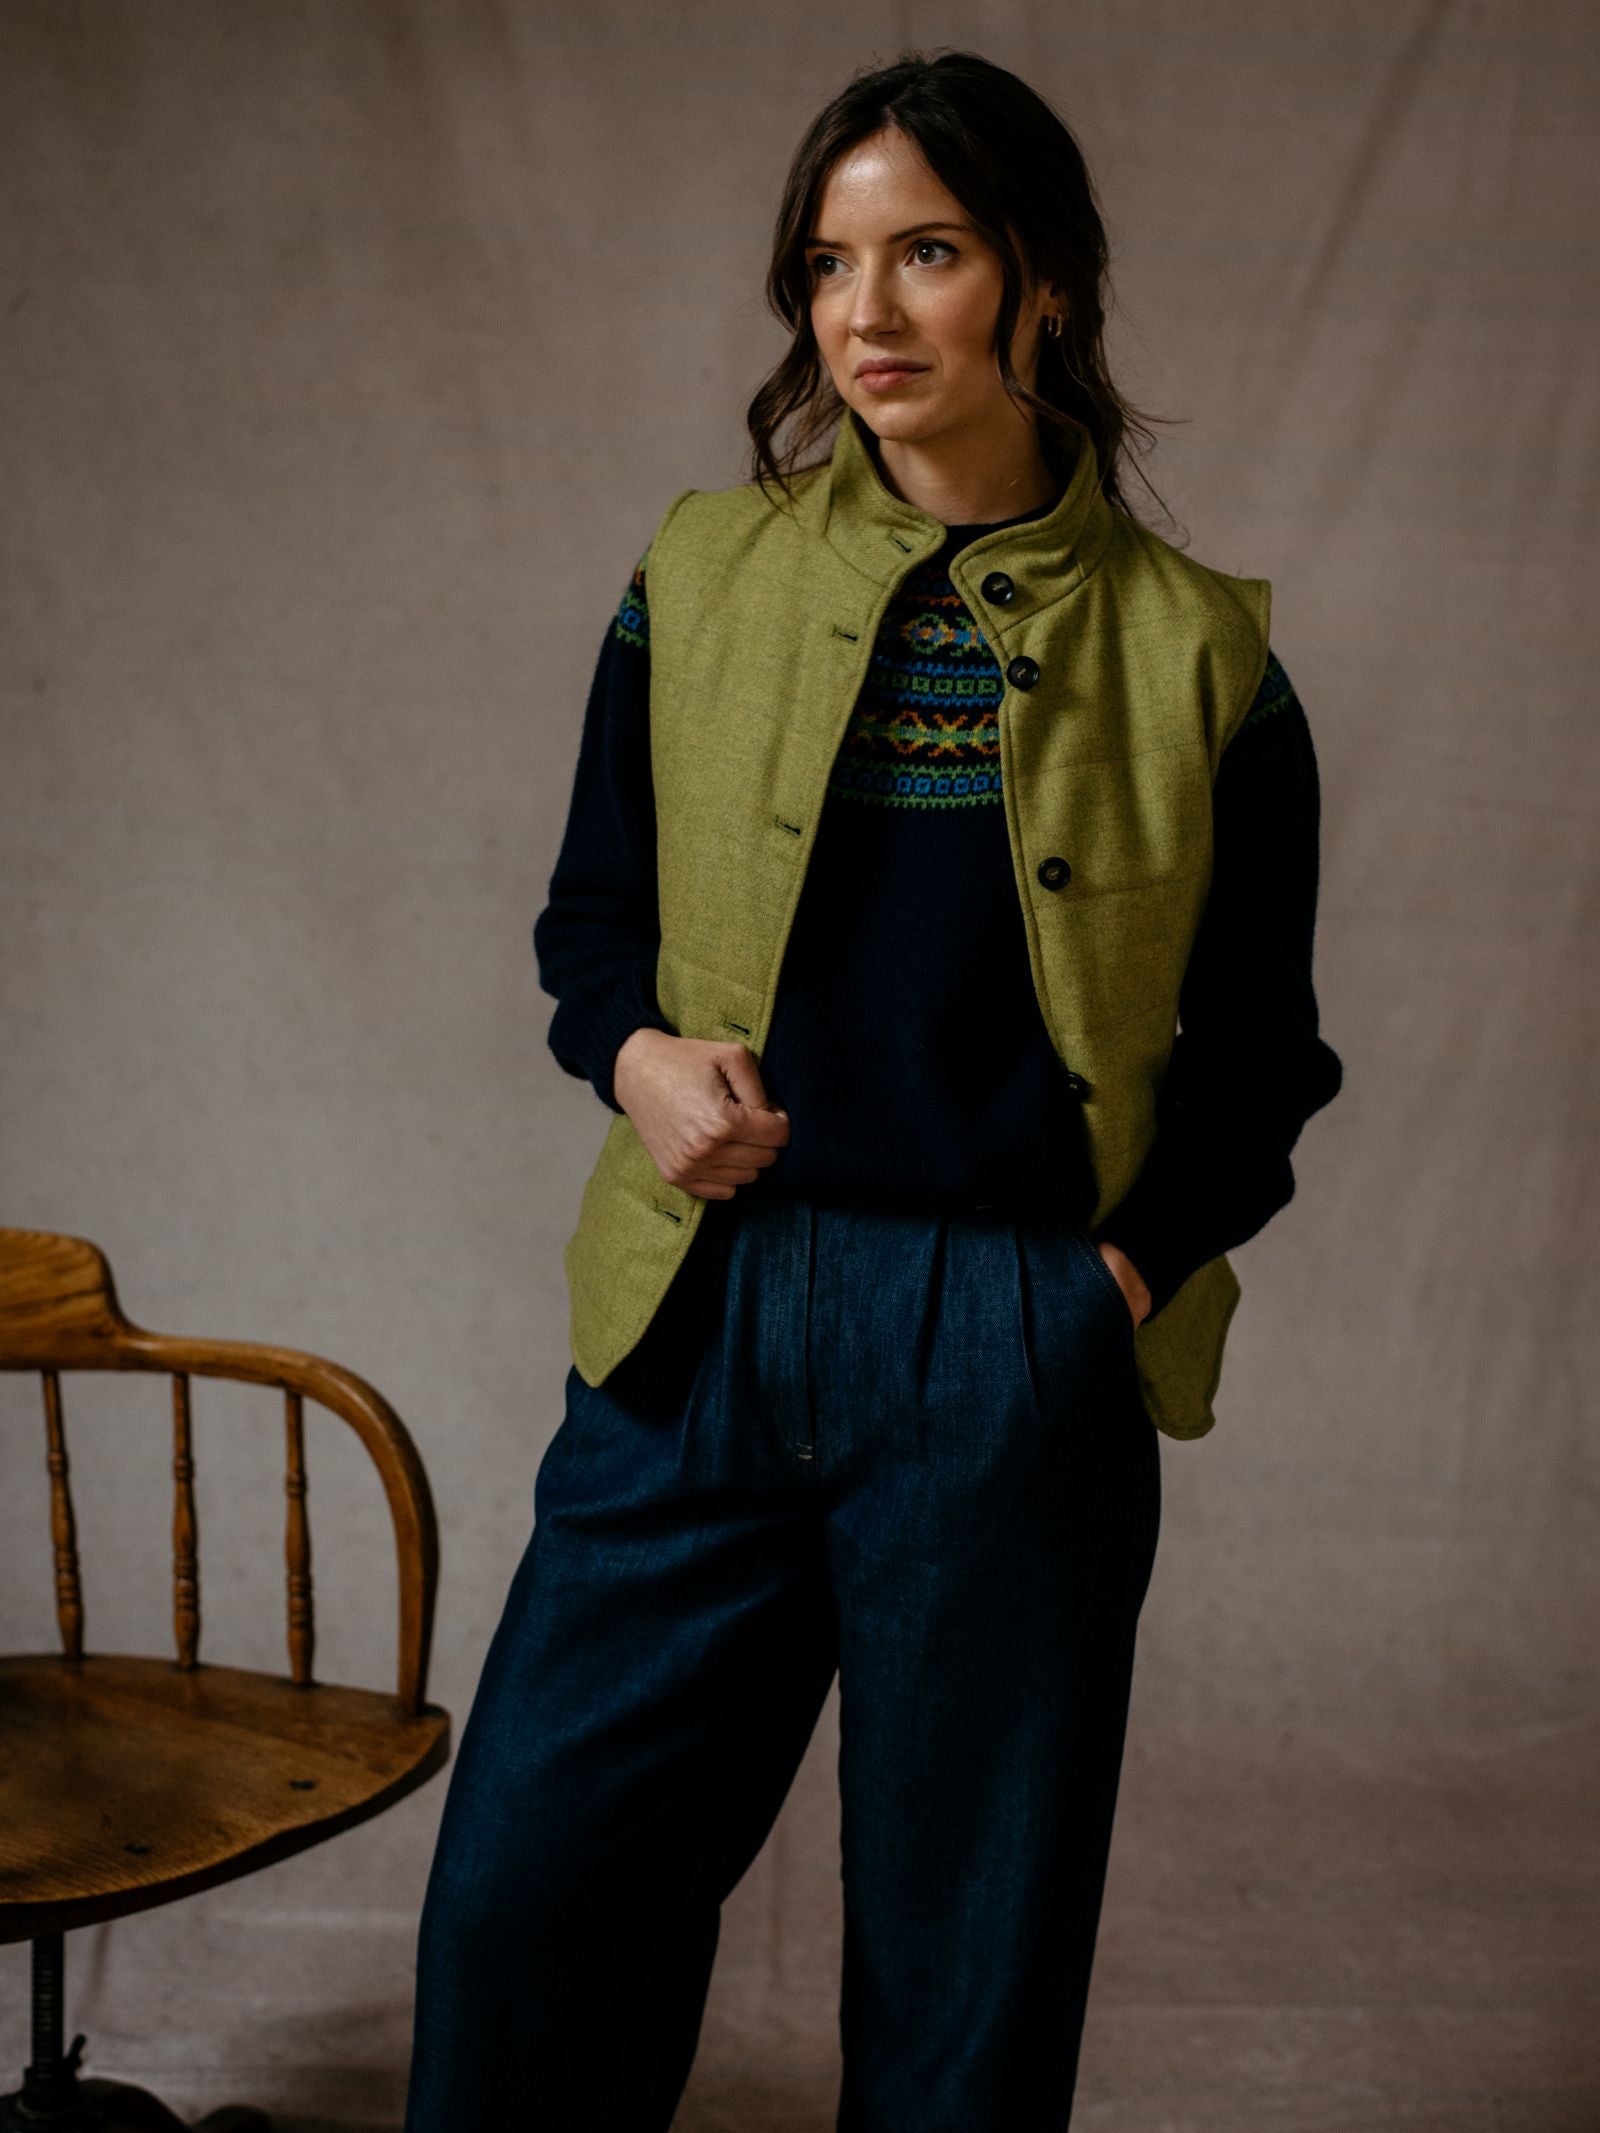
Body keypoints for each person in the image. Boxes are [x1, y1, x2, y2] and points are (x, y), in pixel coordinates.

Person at [402, 46, 1343, 2133]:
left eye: (924, 251)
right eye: (828, 263)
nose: (864, 313)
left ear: (1045, 286)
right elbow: (587, 927)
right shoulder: (695, 574)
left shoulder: (1204, 660)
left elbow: (1262, 1062)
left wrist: (1096, 1284)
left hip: (1006, 1346)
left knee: (958, 1991)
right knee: (526, 1909)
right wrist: (634, 1059)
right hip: (697, 1309)